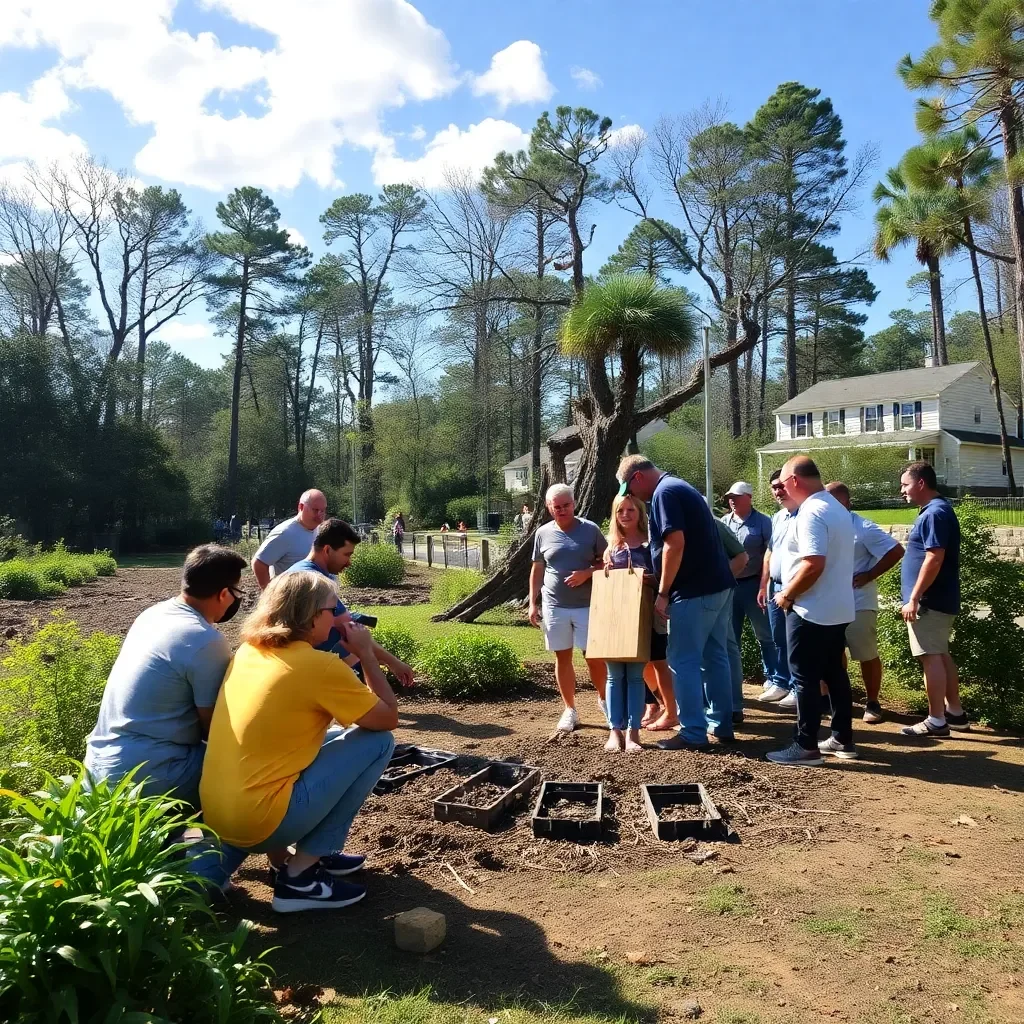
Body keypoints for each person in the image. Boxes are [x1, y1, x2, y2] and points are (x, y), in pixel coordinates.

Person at [200, 571, 398, 913]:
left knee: (336, 737)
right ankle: (300, 876)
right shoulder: (317, 667)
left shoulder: (249, 650)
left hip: (219, 815)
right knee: (377, 742)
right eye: (332, 609)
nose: (339, 617)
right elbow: (387, 717)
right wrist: (366, 654)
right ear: (309, 616)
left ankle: (289, 859)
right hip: (263, 822)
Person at [85, 545, 247, 808]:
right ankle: (227, 845)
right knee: (253, 769)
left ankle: (183, 840)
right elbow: (216, 729)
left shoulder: (152, 614)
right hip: (149, 774)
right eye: (237, 592)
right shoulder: (205, 640)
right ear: (224, 594)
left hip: (99, 766)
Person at [617, 455, 736, 751]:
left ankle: (693, 732)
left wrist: (663, 590)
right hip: (717, 586)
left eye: (630, 491)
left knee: (682, 660)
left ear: (637, 478)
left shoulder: (664, 493)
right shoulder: (679, 486)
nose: (633, 497)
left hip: (694, 591)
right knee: (715, 656)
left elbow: (674, 543)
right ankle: (721, 725)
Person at [768, 457, 856, 766]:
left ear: (794, 480)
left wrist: (787, 594)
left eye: (784, 481)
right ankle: (842, 737)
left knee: (804, 677)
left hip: (810, 609)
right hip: (838, 607)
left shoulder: (811, 512)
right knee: (834, 674)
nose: (781, 487)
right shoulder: (835, 507)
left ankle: (805, 745)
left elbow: (813, 563)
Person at [284, 518, 414, 686]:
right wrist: (393, 663)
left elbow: (337, 635)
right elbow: (349, 631)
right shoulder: (314, 581)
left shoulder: (297, 571)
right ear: (327, 550)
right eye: (347, 554)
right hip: (309, 671)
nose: (349, 562)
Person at [529, 483, 609, 732]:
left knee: (594, 658)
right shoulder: (542, 533)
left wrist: (587, 573)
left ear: (574, 504)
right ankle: (570, 709)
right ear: (549, 507)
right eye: (557, 507)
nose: (562, 510)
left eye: (566, 505)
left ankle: (605, 702)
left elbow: (609, 563)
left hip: (587, 605)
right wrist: (533, 602)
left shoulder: (590, 530)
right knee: (562, 657)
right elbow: (538, 568)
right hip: (554, 605)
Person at [825, 481, 905, 724]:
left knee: (866, 652)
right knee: (833, 653)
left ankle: (872, 702)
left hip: (859, 601)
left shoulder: (863, 528)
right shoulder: (823, 526)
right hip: (830, 602)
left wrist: (870, 574)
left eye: (834, 503)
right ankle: (839, 700)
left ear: (847, 503)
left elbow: (896, 550)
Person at [897, 461, 968, 737]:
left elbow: (934, 557)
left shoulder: (934, 514)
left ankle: (936, 720)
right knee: (940, 654)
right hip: (938, 599)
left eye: (905, 484)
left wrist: (914, 597)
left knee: (931, 657)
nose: (902, 490)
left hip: (930, 601)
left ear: (921, 484)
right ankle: (955, 713)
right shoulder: (936, 511)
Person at [601, 494, 657, 753]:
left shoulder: (650, 545)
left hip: (641, 620)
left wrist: (651, 579)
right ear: (615, 515)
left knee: (635, 677)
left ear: (640, 512)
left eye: (630, 509)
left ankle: (634, 733)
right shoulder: (611, 547)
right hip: (612, 621)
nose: (625, 514)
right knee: (614, 677)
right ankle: (615, 731)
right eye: (620, 510)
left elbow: (662, 578)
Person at [721, 482, 781, 708]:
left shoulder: (763, 522)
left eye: (736, 497)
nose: (732, 500)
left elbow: (770, 553)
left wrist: (764, 585)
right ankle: (731, 681)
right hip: (729, 585)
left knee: (764, 633)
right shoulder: (725, 522)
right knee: (730, 635)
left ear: (749, 497)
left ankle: (773, 677)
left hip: (753, 584)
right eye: (730, 497)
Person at [757, 470, 798, 707]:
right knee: (778, 638)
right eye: (774, 487)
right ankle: (781, 682)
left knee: (794, 640)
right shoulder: (779, 517)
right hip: (776, 586)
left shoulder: (804, 514)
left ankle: (795, 685)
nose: (777, 491)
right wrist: (764, 584)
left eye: (781, 486)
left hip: (795, 588)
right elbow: (770, 552)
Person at [251, 489, 328, 589]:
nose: (319, 515)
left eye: (322, 510)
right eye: (315, 510)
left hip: (312, 599)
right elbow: (259, 563)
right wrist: (270, 594)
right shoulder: (285, 533)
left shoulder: (320, 530)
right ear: (301, 507)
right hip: (290, 599)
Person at [715, 519, 749, 723]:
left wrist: (720, 580)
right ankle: (723, 707)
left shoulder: (715, 525)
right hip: (695, 595)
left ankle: (733, 706)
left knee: (725, 645)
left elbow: (742, 556)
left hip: (717, 592)